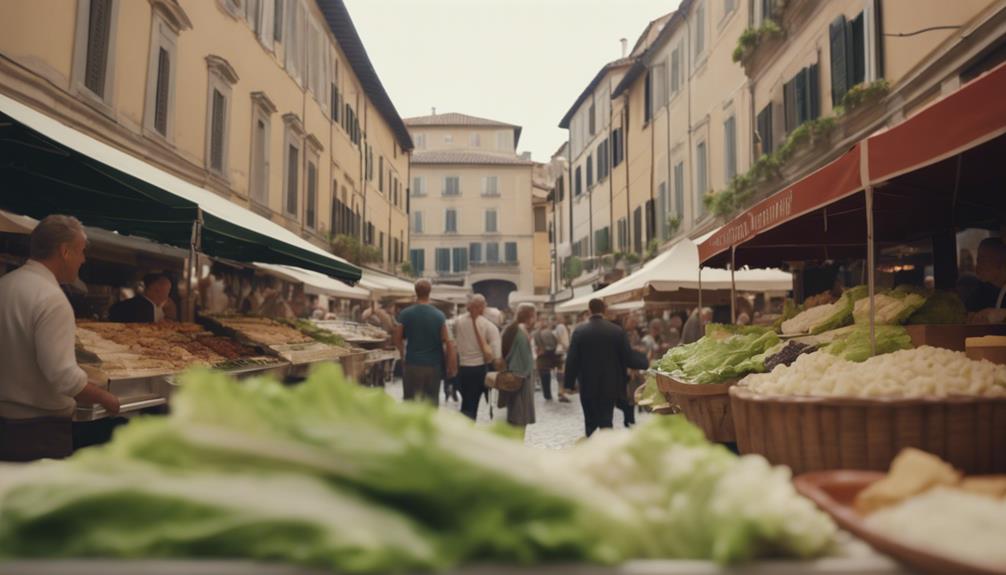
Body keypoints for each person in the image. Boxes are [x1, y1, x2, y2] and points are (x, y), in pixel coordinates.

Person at [0, 215, 120, 461]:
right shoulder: (52, 299)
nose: (83, 260)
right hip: (38, 432)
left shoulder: (6, 284)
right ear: (65, 251)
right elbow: (63, 377)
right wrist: (107, 398)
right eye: (81, 252)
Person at [564, 299, 648, 437]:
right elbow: (627, 357)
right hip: (610, 383)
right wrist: (645, 362)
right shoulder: (616, 331)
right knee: (606, 419)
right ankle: (605, 448)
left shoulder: (579, 331)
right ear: (605, 310)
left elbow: (572, 359)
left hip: (587, 383)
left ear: (589, 310)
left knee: (590, 420)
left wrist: (569, 383)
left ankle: (591, 444)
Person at [394, 279, 457, 404]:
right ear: (430, 292)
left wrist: (402, 355)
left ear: (416, 291)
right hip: (433, 367)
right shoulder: (439, 315)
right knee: (431, 403)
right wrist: (451, 365)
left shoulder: (405, 314)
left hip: (412, 364)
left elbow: (397, 338)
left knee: (410, 403)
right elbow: (448, 342)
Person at [452, 295, 501, 419]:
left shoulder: (458, 322)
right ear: (481, 307)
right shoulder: (488, 325)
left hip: (464, 369)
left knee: (468, 406)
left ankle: (466, 432)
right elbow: (496, 352)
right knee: (492, 404)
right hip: (482, 369)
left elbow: (454, 342)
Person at [500, 303, 537, 434]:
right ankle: (516, 448)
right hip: (520, 380)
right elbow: (524, 361)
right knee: (519, 419)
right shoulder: (521, 332)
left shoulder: (513, 329)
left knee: (515, 417)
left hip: (515, 377)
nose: (536, 319)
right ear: (530, 316)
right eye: (535, 316)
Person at [966, 238, 1006, 323]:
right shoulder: (979, 293)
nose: (977, 267)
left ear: (1000, 260)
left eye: (982, 260)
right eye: (978, 261)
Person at [108, 273, 172, 323]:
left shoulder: (156, 307)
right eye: (168, 289)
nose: (168, 293)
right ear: (156, 289)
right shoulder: (141, 308)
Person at [532, 316, 560, 401]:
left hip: (542, 358)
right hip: (546, 358)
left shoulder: (536, 333)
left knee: (544, 376)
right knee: (545, 376)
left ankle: (547, 394)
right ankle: (548, 394)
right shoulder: (546, 332)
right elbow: (554, 344)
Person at [553, 315, 573, 403]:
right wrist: (566, 348)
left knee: (561, 372)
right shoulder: (561, 326)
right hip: (562, 351)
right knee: (562, 372)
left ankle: (561, 392)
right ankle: (561, 393)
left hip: (561, 351)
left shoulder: (561, 327)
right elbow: (559, 339)